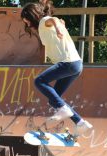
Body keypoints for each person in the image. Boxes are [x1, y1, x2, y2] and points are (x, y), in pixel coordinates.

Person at [21, 1, 93, 133]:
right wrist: (60, 27)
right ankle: (80, 122)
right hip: (76, 65)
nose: (25, 23)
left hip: (68, 63)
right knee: (55, 100)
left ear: (31, 16)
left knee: (39, 81)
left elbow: (52, 19)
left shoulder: (44, 21)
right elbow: (55, 22)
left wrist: (59, 27)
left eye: (25, 19)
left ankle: (64, 110)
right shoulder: (45, 25)